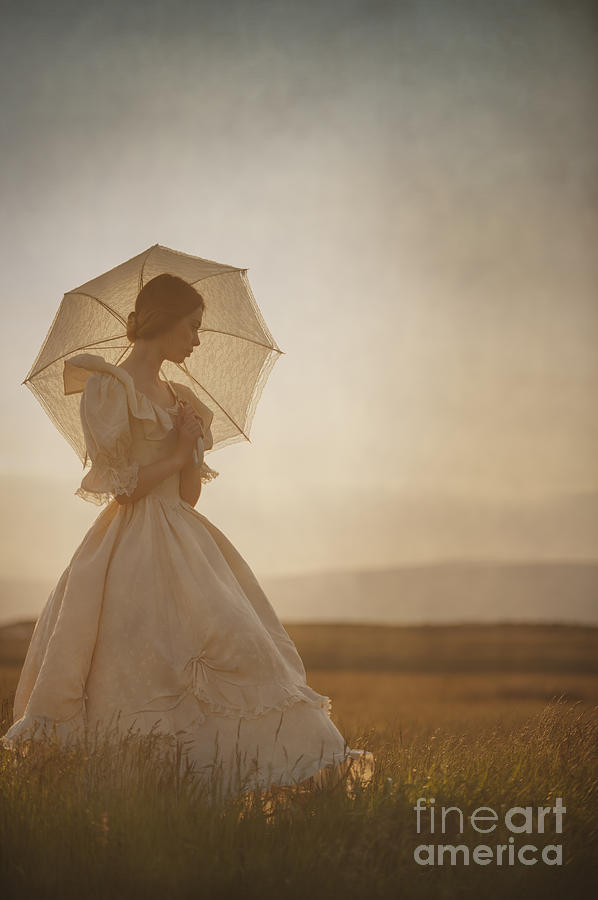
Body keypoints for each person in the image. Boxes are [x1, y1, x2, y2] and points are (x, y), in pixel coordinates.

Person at [0, 273, 374, 801]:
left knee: (243, 647)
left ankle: (214, 786)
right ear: (164, 320)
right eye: (192, 327)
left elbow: (189, 495)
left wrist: (190, 444)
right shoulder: (108, 386)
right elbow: (123, 488)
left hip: (186, 537)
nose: (197, 340)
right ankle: (142, 789)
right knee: (140, 665)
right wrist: (176, 452)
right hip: (130, 547)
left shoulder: (181, 396)